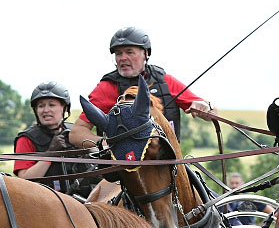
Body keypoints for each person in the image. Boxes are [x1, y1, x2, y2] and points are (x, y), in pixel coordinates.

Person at [69, 26, 215, 149]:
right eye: (118, 53)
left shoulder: (165, 81)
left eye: (129, 52)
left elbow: (212, 113)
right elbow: (76, 133)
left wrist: (206, 107)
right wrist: (106, 143)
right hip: (124, 169)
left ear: (145, 54)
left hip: (170, 163)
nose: (122, 58)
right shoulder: (106, 88)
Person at [13, 81, 90, 196]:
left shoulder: (76, 132)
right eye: (41, 106)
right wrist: (51, 154)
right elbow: (25, 180)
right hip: (46, 203)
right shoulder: (26, 139)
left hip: (85, 200)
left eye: (51, 105)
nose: (45, 110)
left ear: (64, 108)